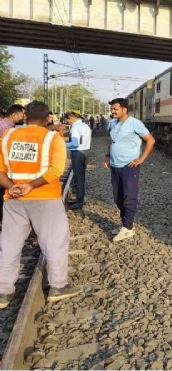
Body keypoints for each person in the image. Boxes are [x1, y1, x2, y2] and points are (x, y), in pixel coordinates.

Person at [0, 101, 80, 309]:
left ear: (25, 116)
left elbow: (0, 170)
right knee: (54, 242)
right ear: (47, 120)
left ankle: (3, 292)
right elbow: (55, 171)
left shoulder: (7, 137)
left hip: (14, 200)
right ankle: (58, 286)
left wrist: (13, 186)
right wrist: (31, 186)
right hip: (45, 199)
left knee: (9, 246)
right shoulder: (53, 138)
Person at [104, 98, 155, 242]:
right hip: (115, 165)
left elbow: (151, 140)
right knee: (117, 198)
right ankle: (125, 225)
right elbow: (111, 140)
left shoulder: (135, 123)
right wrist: (108, 155)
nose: (112, 111)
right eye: (112, 109)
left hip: (129, 166)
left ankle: (128, 227)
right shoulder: (113, 123)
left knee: (129, 197)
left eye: (115, 109)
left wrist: (141, 158)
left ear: (124, 109)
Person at [64, 112, 92, 210]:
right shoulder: (85, 126)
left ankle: (79, 201)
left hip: (78, 153)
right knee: (81, 177)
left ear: (70, 118)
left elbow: (75, 144)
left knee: (79, 178)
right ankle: (79, 199)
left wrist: (62, 144)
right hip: (86, 152)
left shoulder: (75, 128)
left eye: (67, 120)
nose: (67, 122)